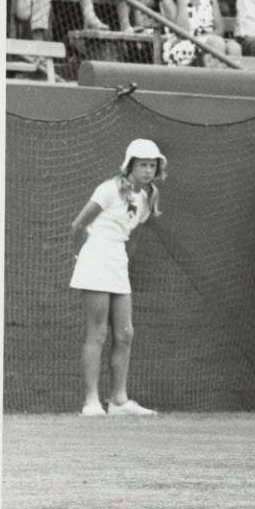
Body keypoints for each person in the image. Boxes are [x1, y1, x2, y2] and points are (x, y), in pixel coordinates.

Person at [69, 138, 167, 418]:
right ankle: (91, 402)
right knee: (97, 333)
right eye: (142, 165)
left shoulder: (148, 197)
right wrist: (81, 257)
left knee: (125, 334)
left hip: (117, 263)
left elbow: (132, 238)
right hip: (96, 257)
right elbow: (78, 225)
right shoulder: (109, 189)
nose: (147, 170)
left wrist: (123, 262)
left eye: (152, 165)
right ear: (130, 166)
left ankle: (119, 401)